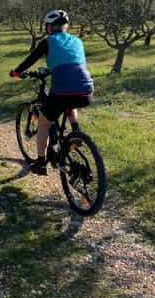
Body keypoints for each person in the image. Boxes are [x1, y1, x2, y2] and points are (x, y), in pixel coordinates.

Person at [10, 9, 94, 175]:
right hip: (86, 89)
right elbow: (71, 62)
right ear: (65, 25)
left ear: (49, 27)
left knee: (44, 122)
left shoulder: (47, 41)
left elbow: (30, 60)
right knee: (71, 99)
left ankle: (41, 162)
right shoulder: (78, 41)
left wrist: (16, 72)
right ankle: (76, 131)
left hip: (62, 91)